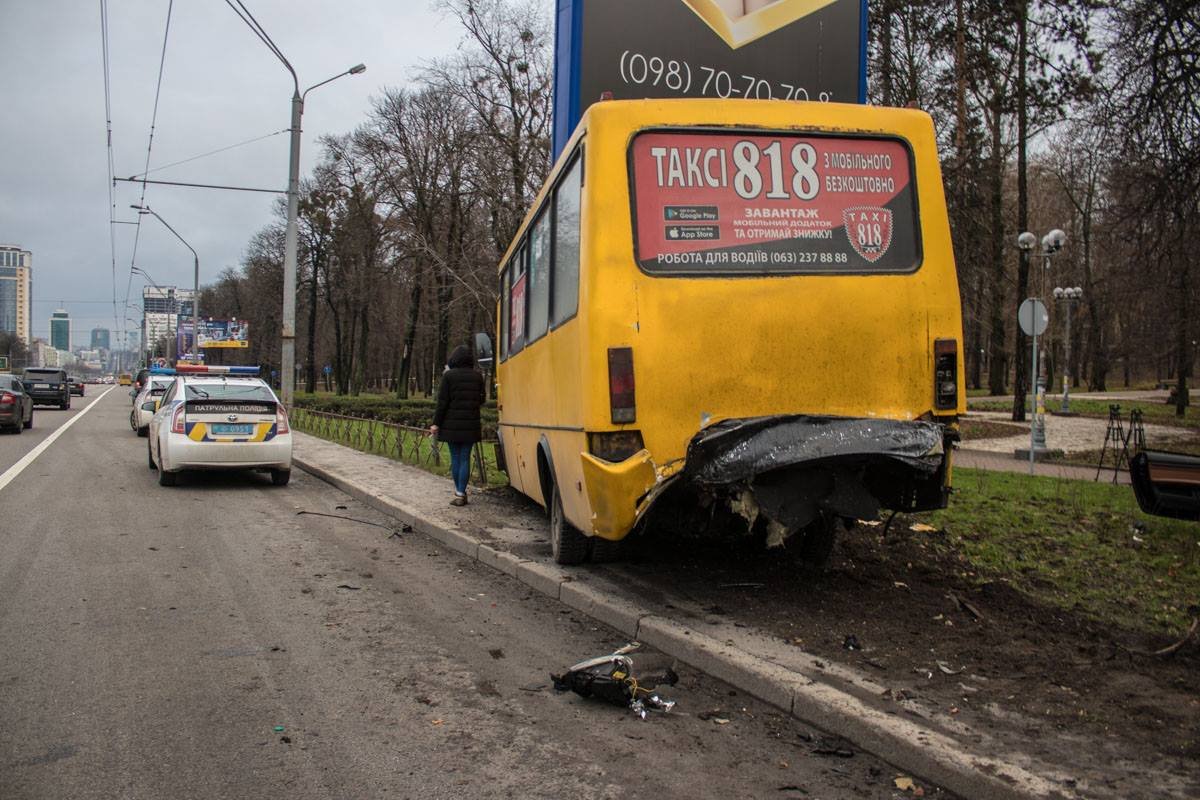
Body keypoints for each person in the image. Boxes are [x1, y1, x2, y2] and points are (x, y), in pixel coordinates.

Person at [430, 344, 486, 506]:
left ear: (454, 359)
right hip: (470, 424)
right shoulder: (477, 376)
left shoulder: (449, 376)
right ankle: (461, 492)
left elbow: (442, 403)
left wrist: (435, 424)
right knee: (465, 458)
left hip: (451, 425)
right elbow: (481, 400)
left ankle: (459, 493)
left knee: (455, 458)